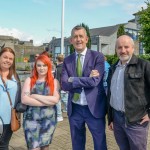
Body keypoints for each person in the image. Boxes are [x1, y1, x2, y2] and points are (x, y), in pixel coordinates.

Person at [61, 25, 107, 150]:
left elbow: (94, 82)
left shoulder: (97, 57)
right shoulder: (67, 60)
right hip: (75, 109)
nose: (78, 39)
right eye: (75, 37)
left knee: (100, 144)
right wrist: (87, 79)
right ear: (71, 40)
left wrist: (73, 79)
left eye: (81, 36)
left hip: (94, 109)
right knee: (77, 145)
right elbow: (64, 85)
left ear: (87, 39)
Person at [107, 35, 150, 150]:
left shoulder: (144, 65)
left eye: (126, 47)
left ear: (133, 48)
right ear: (116, 50)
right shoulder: (113, 68)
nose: (123, 50)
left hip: (137, 120)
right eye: (119, 47)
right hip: (117, 119)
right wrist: (110, 118)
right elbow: (110, 95)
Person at [21, 54, 60, 150]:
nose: (41, 68)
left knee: (45, 146)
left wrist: (34, 96)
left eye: (44, 65)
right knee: (34, 147)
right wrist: (48, 101)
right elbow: (24, 99)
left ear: (48, 66)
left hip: (48, 120)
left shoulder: (54, 82)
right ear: (35, 67)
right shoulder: (29, 81)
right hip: (31, 120)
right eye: (39, 65)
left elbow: (55, 100)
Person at [0, 47, 22, 150]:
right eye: (5, 57)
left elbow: (20, 97)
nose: (8, 60)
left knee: (4, 146)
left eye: (10, 59)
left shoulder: (15, 76)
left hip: (9, 119)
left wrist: (20, 107)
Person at [55, 54, 68, 121]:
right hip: (66, 86)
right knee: (66, 100)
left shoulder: (58, 68)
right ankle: (68, 111)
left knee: (58, 101)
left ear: (57, 59)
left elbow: (57, 79)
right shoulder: (66, 67)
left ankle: (59, 115)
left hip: (60, 87)